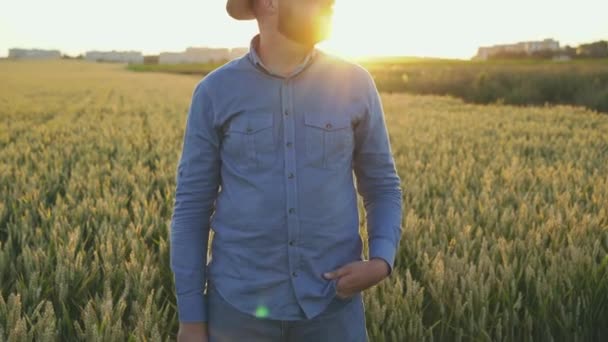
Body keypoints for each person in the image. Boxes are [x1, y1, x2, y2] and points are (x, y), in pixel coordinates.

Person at [170, 0, 403, 341]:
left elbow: (382, 185)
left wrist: (382, 260)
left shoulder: (355, 83)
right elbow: (191, 208)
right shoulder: (214, 92)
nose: (330, 5)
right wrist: (191, 320)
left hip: (333, 311)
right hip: (238, 314)